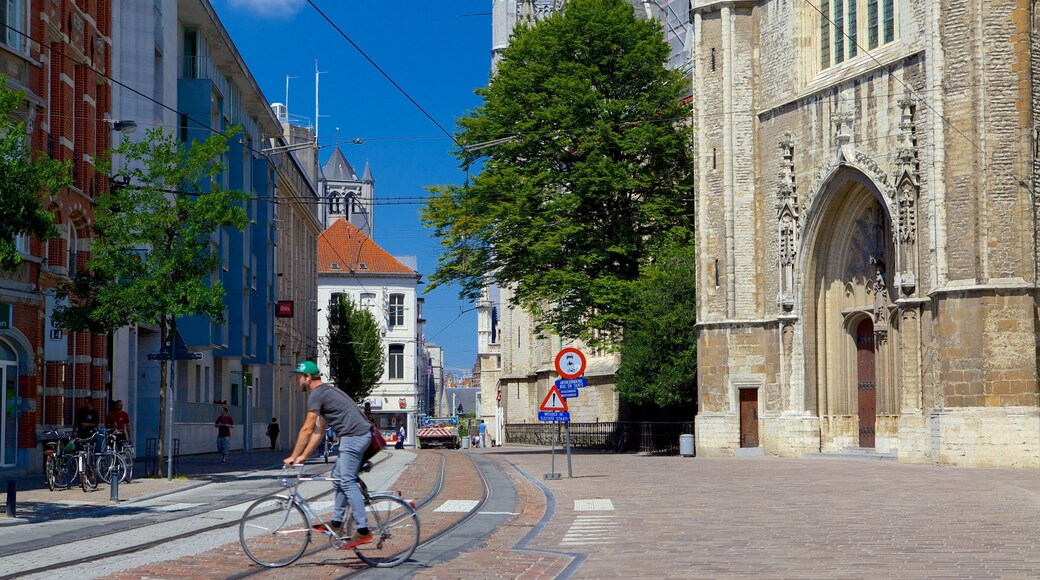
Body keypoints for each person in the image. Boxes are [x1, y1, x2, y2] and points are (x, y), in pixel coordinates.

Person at [285, 361, 373, 550]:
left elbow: (307, 428)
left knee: (347, 481)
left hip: (354, 436)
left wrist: (294, 456)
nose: (297, 382)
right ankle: (337, 522)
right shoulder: (325, 393)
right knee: (337, 477)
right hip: (354, 436)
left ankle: (363, 530)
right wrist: (304, 456)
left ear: (308, 378)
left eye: (299, 378)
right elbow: (319, 430)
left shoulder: (317, 395)